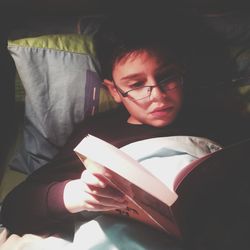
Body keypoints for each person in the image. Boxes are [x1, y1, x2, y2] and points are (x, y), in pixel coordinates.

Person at [1, 10, 250, 249]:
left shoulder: (220, 123)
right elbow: (15, 209)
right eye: (136, 84)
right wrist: (74, 195)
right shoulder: (99, 134)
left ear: (182, 72)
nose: (157, 95)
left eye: (167, 77)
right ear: (114, 91)